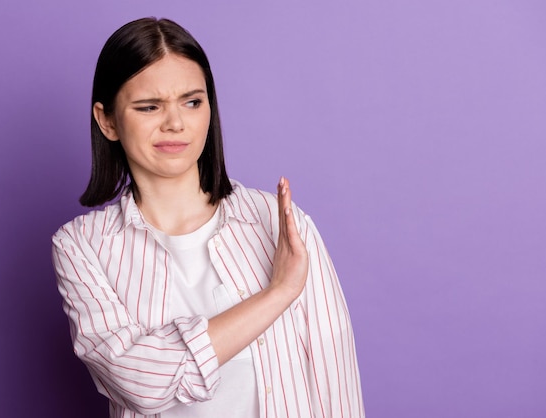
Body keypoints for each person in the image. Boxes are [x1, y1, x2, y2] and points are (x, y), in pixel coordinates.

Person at [52, 17, 364, 418]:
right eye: (149, 106)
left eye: (192, 102)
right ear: (107, 120)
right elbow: (141, 386)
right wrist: (278, 294)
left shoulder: (279, 222)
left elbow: (333, 376)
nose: (176, 123)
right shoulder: (81, 246)